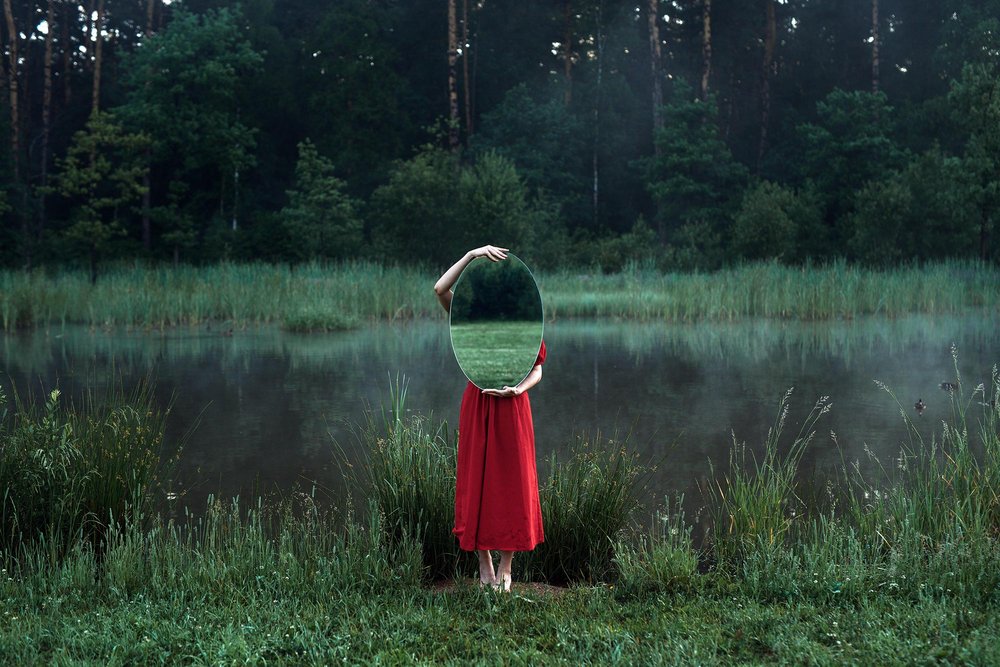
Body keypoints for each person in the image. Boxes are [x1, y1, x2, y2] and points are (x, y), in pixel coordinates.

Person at [434, 245, 546, 592]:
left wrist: (518, 389)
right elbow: (440, 289)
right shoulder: (469, 314)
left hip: (513, 407)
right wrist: (470, 256)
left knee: (514, 483)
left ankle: (507, 566)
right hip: (479, 404)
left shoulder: (523, 324)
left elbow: (538, 370)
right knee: (477, 480)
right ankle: (483, 563)